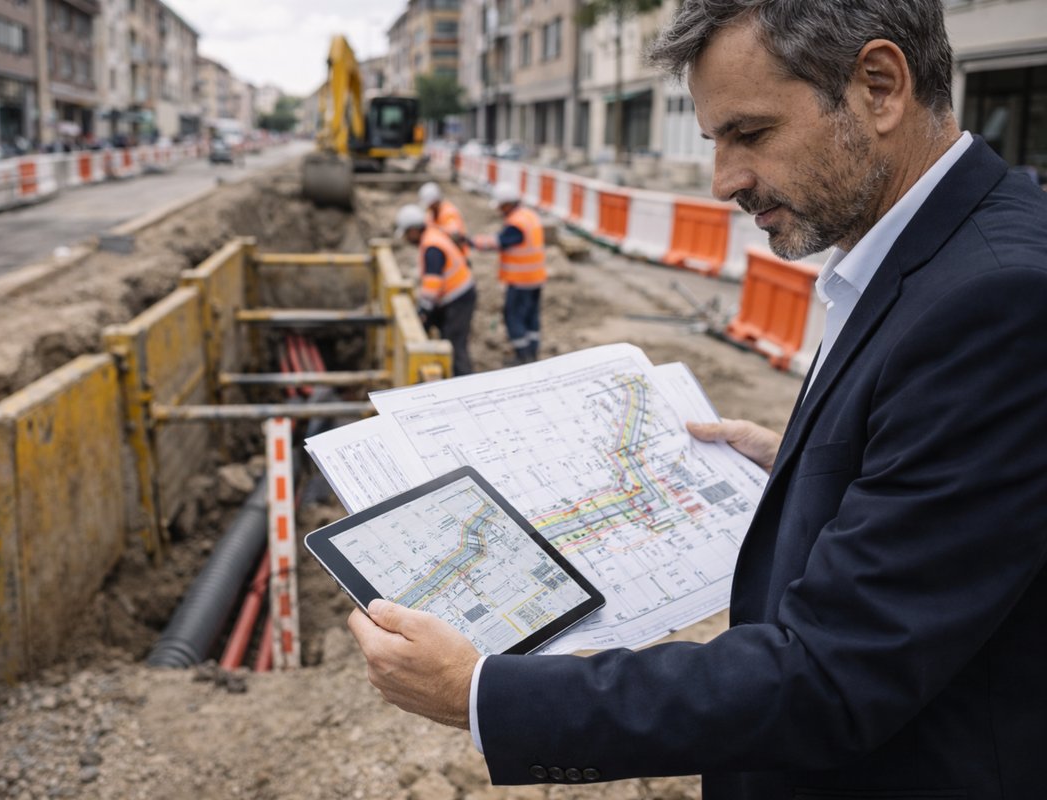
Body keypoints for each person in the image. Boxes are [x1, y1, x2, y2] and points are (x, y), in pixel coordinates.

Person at [348, 1, 1047, 797]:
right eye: (716, 141)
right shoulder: (928, 256)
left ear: (880, 87)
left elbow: (833, 676)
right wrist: (811, 468)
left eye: (750, 133)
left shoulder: (999, 300)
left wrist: (480, 693)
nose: (724, 183)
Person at [395, 204, 477, 376]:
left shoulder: (432, 246)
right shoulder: (432, 235)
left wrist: (424, 309)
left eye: (407, 234)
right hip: (456, 295)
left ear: (413, 230)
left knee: (454, 344)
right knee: (450, 338)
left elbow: (433, 282)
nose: (407, 239)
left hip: (459, 297)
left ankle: (463, 380)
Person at [471, 182, 548, 364]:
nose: (499, 210)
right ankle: (532, 352)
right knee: (531, 317)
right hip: (535, 278)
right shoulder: (529, 215)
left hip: (520, 280)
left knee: (513, 317)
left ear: (507, 204)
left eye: (500, 206)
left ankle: (523, 356)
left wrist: (473, 242)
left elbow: (500, 241)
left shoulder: (516, 223)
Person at [418, 181, 470, 258]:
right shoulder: (431, 213)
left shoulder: (449, 212)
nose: (429, 208)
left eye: (430, 205)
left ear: (435, 202)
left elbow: (455, 235)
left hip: (458, 254)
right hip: (443, 254)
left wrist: (435, 231)